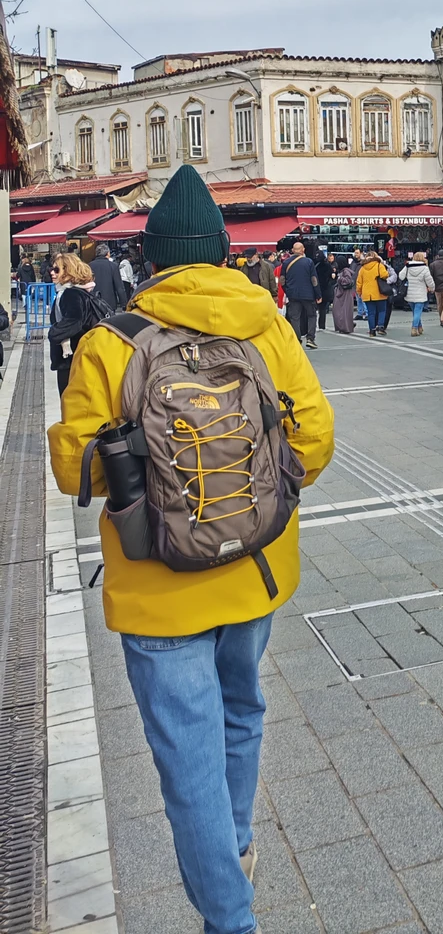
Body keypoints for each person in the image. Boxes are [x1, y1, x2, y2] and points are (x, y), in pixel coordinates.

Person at [47, 164, 334, 934]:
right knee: (242, 709)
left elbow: (74, 464)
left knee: (188, 761)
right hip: (257, 569)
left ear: (152, 256)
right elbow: (316, 438)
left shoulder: (112, 340)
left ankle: (231, 920)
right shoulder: (264, 325)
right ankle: (235, 855)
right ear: (219, 250)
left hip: (158, 583)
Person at [48, 252, 106, 396]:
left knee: (71, 404)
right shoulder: (77, 292)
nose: (52, 273)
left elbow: (74, 321)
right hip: (77, 357)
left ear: (68, 272)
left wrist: (53, 333)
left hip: (73, 359)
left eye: (57, 270)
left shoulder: (70, 294)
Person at [281, 240, 320, 350]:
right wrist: (318, 294)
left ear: (293, 250)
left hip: (293, 294)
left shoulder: (286, 263)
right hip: (308, 294)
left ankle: (297, 339)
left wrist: (287, 291)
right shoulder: (308, 262)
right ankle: (310, 338)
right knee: (311, 315)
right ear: (303, 250)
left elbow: (282, 280)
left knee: (295, 318)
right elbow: (314, 279)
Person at [357, 249, 391, 337]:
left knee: (371, 313)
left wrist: (359, 292)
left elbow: (359, 282)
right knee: (382, 310)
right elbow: (384, 275)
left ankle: (372, 331)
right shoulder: (379, 265)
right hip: (379, 292)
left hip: (367, 293)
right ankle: (380, 327)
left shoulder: (362, 268)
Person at [89, 243, 128, 312]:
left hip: (93, 301)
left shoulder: (89, 266)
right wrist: (124, 304)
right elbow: (119, 286)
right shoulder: (113, 266)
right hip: (110, 302)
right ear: (108, 253)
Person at [405, 250, 435, 336]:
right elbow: (429, 281)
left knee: (415, 312)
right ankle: (414, 328)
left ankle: (420, 327)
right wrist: (432, 288)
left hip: (409, 293)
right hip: (420, 293)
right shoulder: (425, 268)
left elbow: (400, 275)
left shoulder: (408, 266)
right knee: (417, 311)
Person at [333, 261, 357, 333]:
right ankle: (344, 326)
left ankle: (345, 327)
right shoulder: (344, 271)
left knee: (343, 311)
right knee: (341, 311)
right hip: (343, 292)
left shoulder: (345, 271)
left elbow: (348, 281)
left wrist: (340, 278)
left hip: (345, 293)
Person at [315, 248, 335, 331]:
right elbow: (332, 277)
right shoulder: (327, 265)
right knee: (323, 309)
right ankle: (322, 325)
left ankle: (314, 325)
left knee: (313, 309)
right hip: (325, 289)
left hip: (316, 288)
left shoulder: (314, 265)